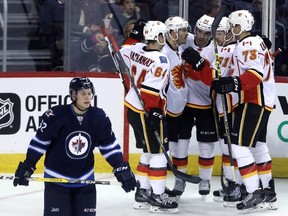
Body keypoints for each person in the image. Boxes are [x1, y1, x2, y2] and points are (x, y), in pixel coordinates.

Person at [13, 77, 137, 216]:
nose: (87, 97)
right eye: (83, 93)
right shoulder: (56, 115)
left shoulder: (99, 117)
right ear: (73, 95)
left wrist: (119, 166)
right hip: (56, 181)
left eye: (89, 93)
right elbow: (39, 143)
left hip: (85, 181)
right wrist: (29, 164)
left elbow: (108, 146)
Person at [211, 10, 277, 213]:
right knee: (258, 146)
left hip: (253, 100)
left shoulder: (247, 44)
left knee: (239, 146)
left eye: (233, 25)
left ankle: (254, 192)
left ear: (239, 26)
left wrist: (233, 83)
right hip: (263, 100)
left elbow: (255, 75)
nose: (231, 29)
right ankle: (268, 192)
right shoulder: (256, 42)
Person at [120, 21, 178, 213]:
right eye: (164, 35)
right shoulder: (161, 59)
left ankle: (143, 191)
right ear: (159, 37)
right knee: (159, 154)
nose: (166, 39)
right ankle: (157, 195)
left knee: (148, 151)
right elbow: (151, 90)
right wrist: (154, 112)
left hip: (133, 108)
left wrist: (134, 33)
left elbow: (122, 49)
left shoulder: (135, 48)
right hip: (148, 110)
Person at [180, 14, 218, 199]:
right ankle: (180, 179)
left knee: (206, 147)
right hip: (184, 104)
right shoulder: (185, 39)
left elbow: (214, 78)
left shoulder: (215, 49)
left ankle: (205, 179)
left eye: (206, 33)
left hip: (206, 104)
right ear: (194, 29)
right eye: (199, 31)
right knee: (180, 145)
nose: (201, 36)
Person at [162, 16, 190, 197]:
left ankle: (179, 182)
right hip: (167, 111)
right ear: (172, 33)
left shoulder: (178, 49)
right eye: (183, 30)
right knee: (161, 153)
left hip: (180, 108)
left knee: (180, 147)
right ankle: (155, 187)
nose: (186, 34)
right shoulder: (163, 53)